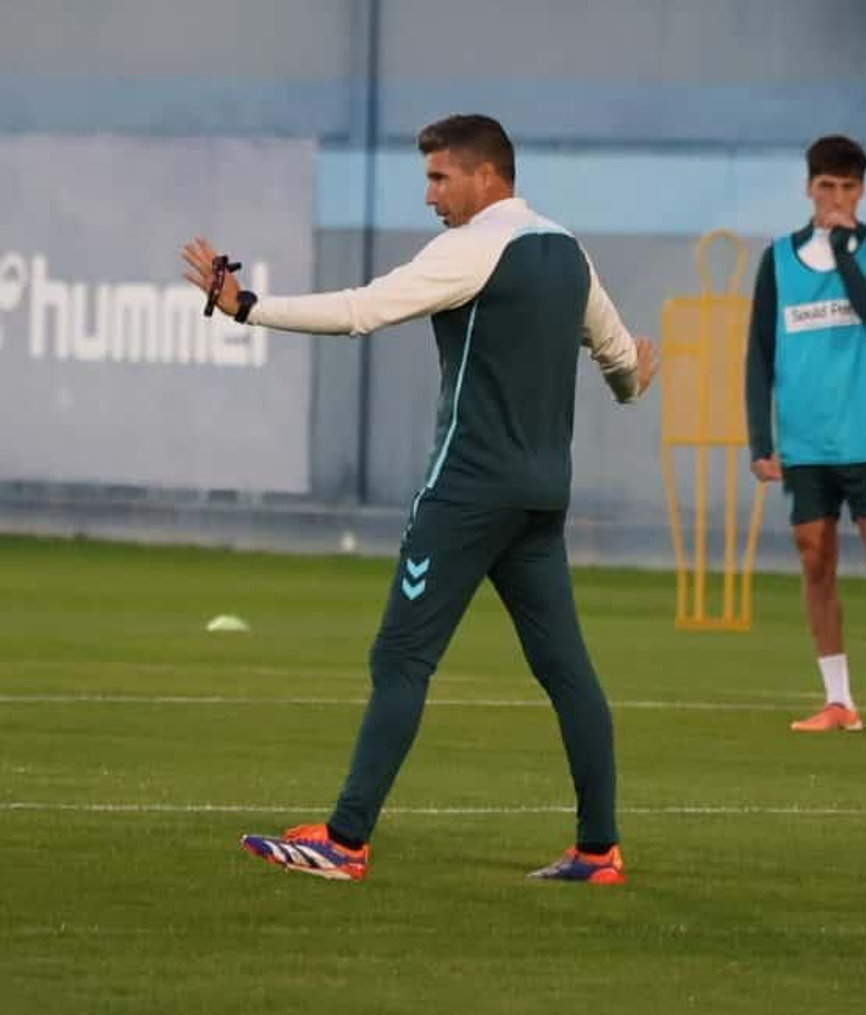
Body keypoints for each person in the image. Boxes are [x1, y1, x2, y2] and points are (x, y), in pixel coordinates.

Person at [180, 113, 657, 885]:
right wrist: (637, 378)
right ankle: (599, 849)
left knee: (400, 657)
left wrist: (244, 305)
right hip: (541, 498)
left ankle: (344, 840)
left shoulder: (472, 249)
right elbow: (623, 364)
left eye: (440, 178)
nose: (430, 195)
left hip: (467, 493)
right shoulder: (571, 252)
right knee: (566, 669)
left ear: (487, 176)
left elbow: (360, 311)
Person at [744, 135, 866, 738]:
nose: (837, 197)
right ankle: (838, 700)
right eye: (827, 186)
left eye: (848, 187)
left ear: (862, 190)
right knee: (815, 562)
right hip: (803, 443)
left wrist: (845, 247)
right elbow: (760, 353)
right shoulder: (777, 259)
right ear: (808, 187)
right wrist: (758, 440)